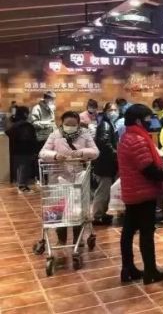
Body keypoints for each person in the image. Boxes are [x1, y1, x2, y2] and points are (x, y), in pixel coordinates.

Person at [117, 104, 163, 284]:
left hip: (131, 190)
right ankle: (150, 271)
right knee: (146, 232)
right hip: (142, 192)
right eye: (149, 119)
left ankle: (128, 269)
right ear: (138, 121)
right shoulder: (138, 140)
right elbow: (148, 170)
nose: (151, 122)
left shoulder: (125, 137)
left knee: (128, 231)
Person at [39, 111, 99, 246]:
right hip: (59, 177)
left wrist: (82, 152)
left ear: (78, 124)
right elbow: (42, 153)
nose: (70, 127)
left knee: (77, 209)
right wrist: (55, 156)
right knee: (60, 208)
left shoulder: (85, 134)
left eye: (73, 124)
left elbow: (95, 152)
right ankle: (61, 239)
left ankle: (79, 239)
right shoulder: (55, 135)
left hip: (79, 177)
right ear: (62, 123)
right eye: (67, 124)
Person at [92, 102, 119, 225]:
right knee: (103, 191)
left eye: (115, 110)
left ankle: (103, 213)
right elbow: (104, 142)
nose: (113, 112)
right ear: (105, 111)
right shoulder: (105, 125)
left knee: (106, 191)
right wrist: (116, 153)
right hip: (104, 164)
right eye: (110, 110)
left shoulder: (109, 123)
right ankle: (97, 216)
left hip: (106, 163)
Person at [7, 106, 39, 193]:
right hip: (25, 150)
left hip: (15, 151)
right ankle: (22, 187)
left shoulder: (14, 125)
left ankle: (20, 186)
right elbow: (31, 139)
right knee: (25, 168)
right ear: (25, 114)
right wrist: (35, 150)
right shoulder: (26, 126)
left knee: (19, 168)